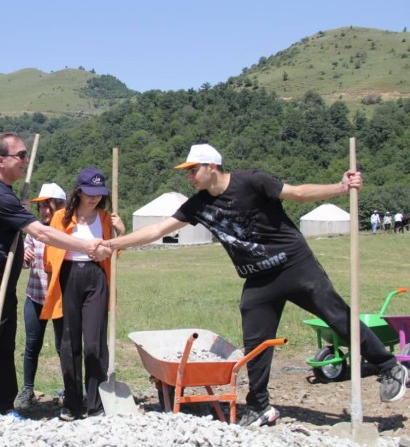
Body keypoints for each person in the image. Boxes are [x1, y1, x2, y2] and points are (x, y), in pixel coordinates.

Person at [104, 143, 407, 427]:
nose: (189, 176)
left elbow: (299, 193)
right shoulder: (197, 205)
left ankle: (389, 367)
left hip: (295, 265)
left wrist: (341, 187)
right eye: (187, 171)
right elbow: (158, 228)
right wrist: (114, 243)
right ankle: (260, 406)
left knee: (338, 317)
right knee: (255, 342)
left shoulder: (252, 182)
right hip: (259, 279)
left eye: (193, 169)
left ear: (212, 166)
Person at [0, 132, 110, 415]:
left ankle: (4, 407)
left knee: (5, 349)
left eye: (25, 154)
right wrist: (86, 246)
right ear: (0, 160)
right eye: (20, 155)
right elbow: (42, 232)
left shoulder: (4, 192)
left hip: (3, 286)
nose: (26, 160)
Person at [42, 168, 125, 421]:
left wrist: (120, 234)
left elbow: (115, 256)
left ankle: (96, 402)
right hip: (67, 278)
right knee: (69, 344)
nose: (94, 198)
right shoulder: (60, 218)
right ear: (78, 191)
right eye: (89, 193)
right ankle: (72, 402)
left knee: (93, 344)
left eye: (99, 194)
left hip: (96, 279)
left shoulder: (105, 218)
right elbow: (49, 255)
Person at [13, 183, 67, 411]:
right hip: (35, 297)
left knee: (63, 346)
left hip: (60, 300)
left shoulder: (67, 232)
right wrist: (22, 254)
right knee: (32, 345)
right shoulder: (34, 232)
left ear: (61, 206)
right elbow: (26, 262)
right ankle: (27, 389)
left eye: (48, 206)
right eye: (41, 207)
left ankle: (72, 388)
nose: (44, 211)